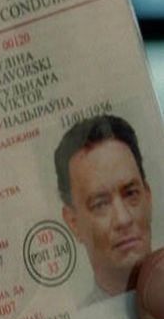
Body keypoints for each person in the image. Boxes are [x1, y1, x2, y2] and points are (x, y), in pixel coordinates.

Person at [54, 115, 152, 305]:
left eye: (130, 193)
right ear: (73, 223)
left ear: (148, 197)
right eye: (100, 204)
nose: (123, 219)